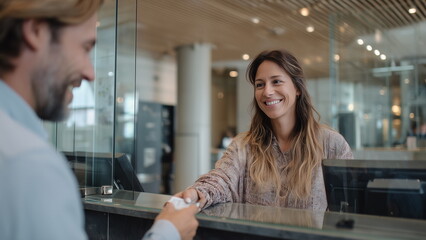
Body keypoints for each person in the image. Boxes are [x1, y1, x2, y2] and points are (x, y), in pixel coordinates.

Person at [0, 1, 198, 240]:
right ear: (36, 31)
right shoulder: (29, 163)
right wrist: (169, 233)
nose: (90, 73)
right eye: (85, 48)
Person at [176, 50, 353, 211]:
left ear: (297, 88)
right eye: (260, 85)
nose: (267, 92)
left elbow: (351, 206)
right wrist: (196, 193)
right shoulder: (243, 145)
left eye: (276, 81)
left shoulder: (331, 144)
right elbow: (222, 180)